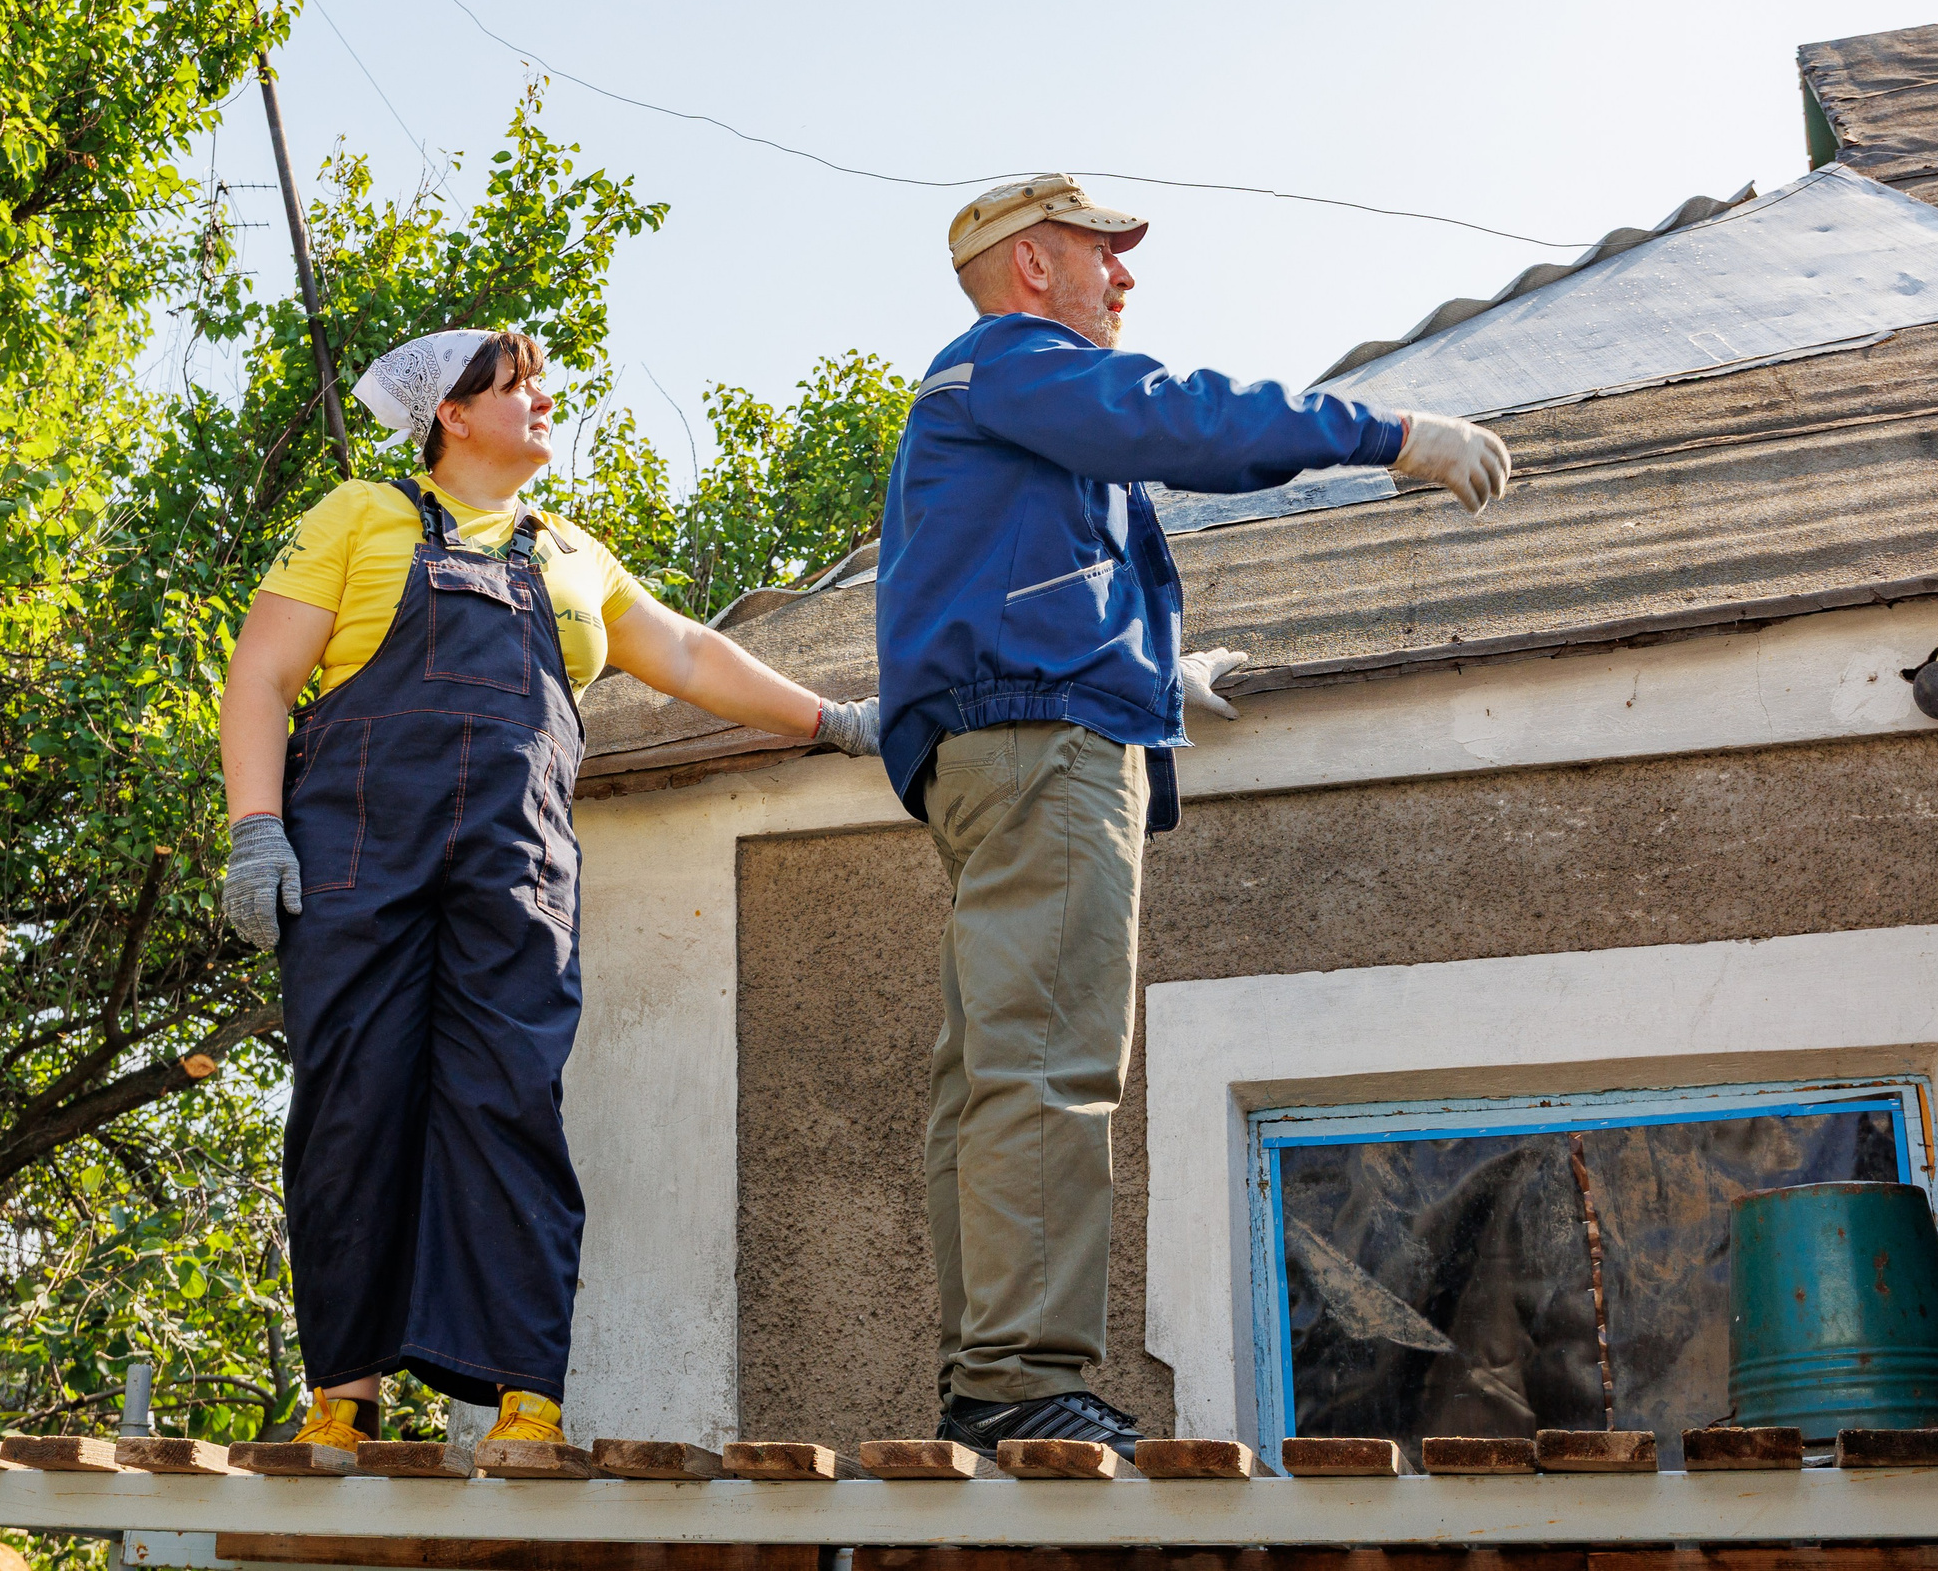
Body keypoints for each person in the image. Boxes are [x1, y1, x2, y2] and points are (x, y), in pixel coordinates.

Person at [878, 176, 1510, 1455]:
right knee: (1050, 1058)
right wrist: (1389, 431)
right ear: (1033, 266)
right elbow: (1179, 419)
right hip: (1046, 749)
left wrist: (1159, 675)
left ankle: (985, 1374)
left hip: (998, 743)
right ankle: (1017, 1377)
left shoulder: (987, 409)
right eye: (1103, 255)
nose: (1124, 278)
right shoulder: (1018, 362)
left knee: (989, 1072)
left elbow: (1002, 590)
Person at [220, 329, 879, 1453]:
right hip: (355, 854)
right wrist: (254, 831)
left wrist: (833, 719)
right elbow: (263, 675)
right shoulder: (354, 518)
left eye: (538, 383)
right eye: (513, 385)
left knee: (510, 1103)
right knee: (352, 1101)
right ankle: (345, 1388)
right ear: (451, 417)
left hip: (512, 868)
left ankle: (525, 1391)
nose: (543, 398)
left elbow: (691, 656)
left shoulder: (574, 553)